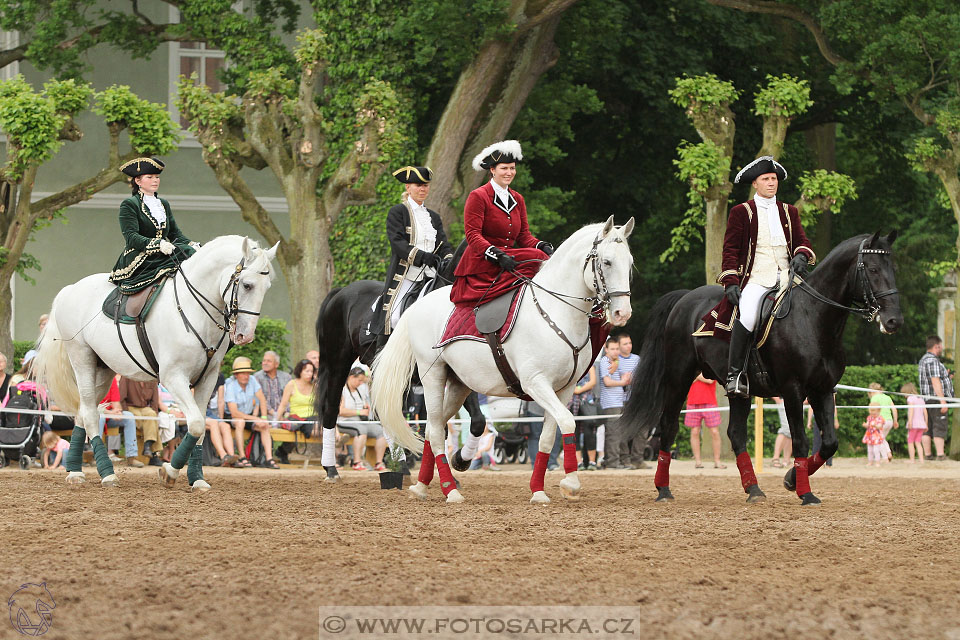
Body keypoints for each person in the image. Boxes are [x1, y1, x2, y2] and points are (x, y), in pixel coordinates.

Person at [699, 156, 815, 397]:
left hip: (787, 277)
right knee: (749, 315)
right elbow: (730, 249)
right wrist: (730, 281)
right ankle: (735, 375)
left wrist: (801, 255)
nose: (772, 183)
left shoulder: (789, 211)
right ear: (755, 184)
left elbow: (802, 240)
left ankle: (818, 372)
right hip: (756, 278)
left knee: (813, 310)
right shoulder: (741, 212)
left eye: (774, 179)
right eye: (766, 179)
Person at [450, 140, 553, 305]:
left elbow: (524, 236)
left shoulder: (517, 198)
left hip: (508, 256)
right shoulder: (478, 196)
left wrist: (541, 245)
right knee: (537, 257)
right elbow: (473, 235)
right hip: (483, 260)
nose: (509, 172)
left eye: (512, 168)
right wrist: (497, 254)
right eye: (504, 168)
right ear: (492, 170)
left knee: (541, 255)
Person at [370, 166, 455, 350]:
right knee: (393, 316)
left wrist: (448, 259)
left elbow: (443, 244)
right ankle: (382, 354)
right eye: (418, 185)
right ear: (408, 188)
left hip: (432, 275)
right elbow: (397, 243)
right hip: (406, 275)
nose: (423, 189)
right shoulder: (398, 212)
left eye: (426, 185)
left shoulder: (433, 216)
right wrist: (423, 257)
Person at [109, 157, 197, 295]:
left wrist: (193, 245)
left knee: (190, 252)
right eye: (149, 177)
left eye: (157, 177)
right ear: (138, 181)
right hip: (139, 257)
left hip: (161, 254)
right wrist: (158, 244)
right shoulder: (130, 204)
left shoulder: (163, 204)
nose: (155, 180)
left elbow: (174, 234)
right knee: (185, 252)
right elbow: (131, 237)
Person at [225, 356, 278, 469]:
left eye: (248, 373)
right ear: (236, 375)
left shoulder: (253, 380)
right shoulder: (230, 386)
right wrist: (255, 418)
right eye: (242, 373)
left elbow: (262, 399)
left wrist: (263, 417)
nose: (246, 376)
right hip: (232, 417)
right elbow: (234, 412)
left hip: (249, 416)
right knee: (240, 422)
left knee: (264, 425)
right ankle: (242, 457)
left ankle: (269, 459)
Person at [338, 367, 387, 471]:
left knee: (381, 431)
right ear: (351, 377)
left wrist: (365, 409)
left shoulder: (359, 391)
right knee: (361, 430)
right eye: (359, 380)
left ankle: (378, 462)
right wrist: (359, 412)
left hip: (360, 421)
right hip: (344, 421)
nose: (360, 383)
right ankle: (357, 461)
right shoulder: (342, 390)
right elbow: (340, 411)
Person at [274, 359, 318, 464]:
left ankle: (335, 452)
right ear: (300, 371)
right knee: (297, 429)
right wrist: (276, 421)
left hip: (312, 417)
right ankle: (282, 451)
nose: (309, 374)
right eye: (307, 371)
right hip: (296, 417)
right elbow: (283, 404)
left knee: (319, 428)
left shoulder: (314, 386)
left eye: (311, 371)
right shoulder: (291, 384)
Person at [597, 337, 632, 469]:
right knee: (613, 434)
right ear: (606, 349)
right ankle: (612, 462)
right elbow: (607, 382)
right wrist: (622, 382)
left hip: (618, 401)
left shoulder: (614, 361)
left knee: (617, 433)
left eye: (617, 349)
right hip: (610, 403)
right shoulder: (605, 361)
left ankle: (613, 460)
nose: (615, 351)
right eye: (612, 349)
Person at [918, 335, 953, 461]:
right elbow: (935, 381)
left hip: (926, 399)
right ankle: (940, 455)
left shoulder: (923, 360)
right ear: (936, 346)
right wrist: (943, 401)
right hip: (936, 399)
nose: (942, 348)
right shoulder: (933, 361)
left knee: (927, 427)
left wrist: (947, 377)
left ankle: (928, 455)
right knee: (939, 425)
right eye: (941, 346)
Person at [618, 334, 649, 469]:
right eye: (625, 344)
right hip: (622, 400)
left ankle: (638, 459)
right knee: (623, 430)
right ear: (618, 346)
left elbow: (644, 377)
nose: (629, 346)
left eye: (629, 343)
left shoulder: (637, 359)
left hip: (637, 399)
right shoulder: (614, 360)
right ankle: (625, 459)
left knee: (642, 430)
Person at [117, 376, 164, 466]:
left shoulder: (151, 378)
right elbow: (121, 397)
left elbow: (154, 400)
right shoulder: (127, 376)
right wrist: (125, 411)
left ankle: (147, 446)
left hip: (145, 408)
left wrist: (155, 413)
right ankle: (153, 454)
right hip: (130, 407)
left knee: (152, 415)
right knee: (144, 419)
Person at [98, 375, 142, 467]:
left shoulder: (111, 378)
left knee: (129, 416)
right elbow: (92, 406)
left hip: (110, 415)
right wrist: (109, 412)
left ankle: (131, 456)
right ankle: (98, 456)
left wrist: (117, 411)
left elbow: (116, 402)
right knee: (100, 417)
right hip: (96, 415)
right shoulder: (90, 378)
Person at [685, 374, 726, 469]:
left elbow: (710, 380)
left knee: (715, 432)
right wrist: (701, 377)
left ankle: (717, 461)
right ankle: (698, 461)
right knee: (694, 432)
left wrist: (696, 376)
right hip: (692, 402)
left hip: (710, 402)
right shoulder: (692, 367)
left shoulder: (709, 368)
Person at [204, 371, 238, 466]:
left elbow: (221, 401)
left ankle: (231, 457)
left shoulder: (219, 376)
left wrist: (221, 419)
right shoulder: (197, 374)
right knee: (214, 423)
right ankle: (223, 456)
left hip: (208, 412)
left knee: (225, 426)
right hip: (196, 411)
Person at [568, 366, 599, 470]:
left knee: (590, 431)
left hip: (588, 401)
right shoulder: (570, 365)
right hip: (572, 402)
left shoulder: (590, 365)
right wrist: (575, 390)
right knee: (574, 432)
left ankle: (592, 462)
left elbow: (593, 382)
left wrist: (578, 390)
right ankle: (579, 462)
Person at [253, 351, 292, 422]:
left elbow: (290, 398)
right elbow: (260, 399)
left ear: (276, 364)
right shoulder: (257, 377)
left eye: (269, 361)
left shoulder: (286, 377)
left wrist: (286, 413)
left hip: (286, 414)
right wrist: (275, 415)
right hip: (266, 415)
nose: (265, 363)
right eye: (264, 361)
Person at [867, 382, 897, 462]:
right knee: (882, 438)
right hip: (889, 421)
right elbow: (894, 409)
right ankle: (888, 453)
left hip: (880, 422)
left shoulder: (874, 398)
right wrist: (895, 421)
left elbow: (871, 411)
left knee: (879, 439)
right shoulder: (887, 397)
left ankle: (886, 457)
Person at [901, 382, 927, 464]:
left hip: (914, 423)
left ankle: (912, 460)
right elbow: (925, 412)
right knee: (918, 442)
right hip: (922, 424)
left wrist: (910, 421)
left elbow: (911, 410)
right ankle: (921, 460)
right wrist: (926, 423)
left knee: (910, 441)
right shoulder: (921, 399)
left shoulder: (910, 399)